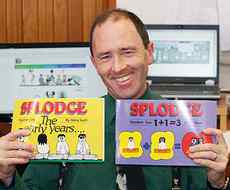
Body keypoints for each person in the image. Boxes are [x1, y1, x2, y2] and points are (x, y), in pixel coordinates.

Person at [0, 8, 229, 190]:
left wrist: (217, 182)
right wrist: (6, 178)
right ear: (94, 63)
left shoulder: (185, 122)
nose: (118, 67)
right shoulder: (63, 122)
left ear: (149, 52)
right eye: (105, 56)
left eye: (127, 52)